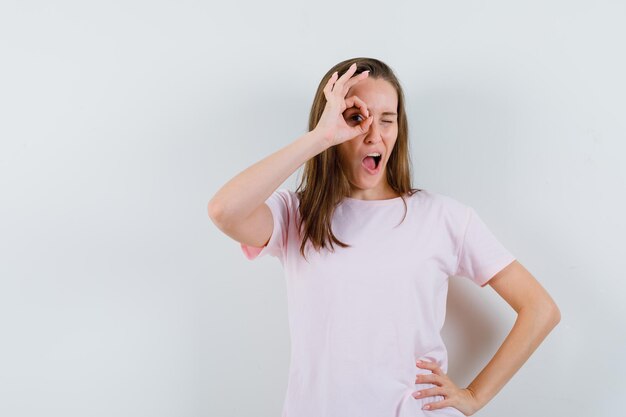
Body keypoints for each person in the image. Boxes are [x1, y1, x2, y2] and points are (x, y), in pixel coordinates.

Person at [208, 57, 561, 417]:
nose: (374, 134)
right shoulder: (297, 214)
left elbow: (540, 309)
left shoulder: (444, 218)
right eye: (356, 118)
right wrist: (319, 138)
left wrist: (473, 396)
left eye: (387, 120)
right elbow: (224, 210)